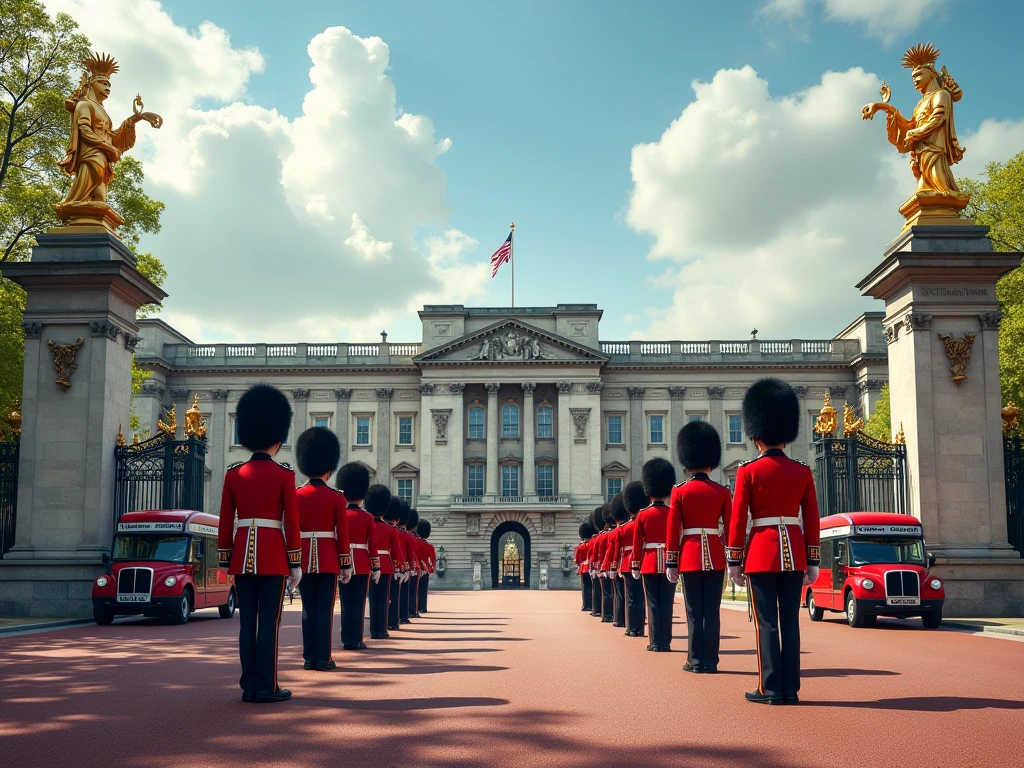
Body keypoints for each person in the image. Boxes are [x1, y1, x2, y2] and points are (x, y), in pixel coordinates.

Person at [726, 378, 820, 705]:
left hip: (762, 553)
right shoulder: (802, 471)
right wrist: (813, 560)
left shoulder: (748, 471)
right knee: (790, 623)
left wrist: (734, 559)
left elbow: (738, 519)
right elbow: (811, 518)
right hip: (794, 552)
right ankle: (791, 688)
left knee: (766, 623)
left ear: (755, 435)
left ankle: (769, 687)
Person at [217, 384, 301, 703]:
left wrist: (225, 561)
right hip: (273, 557)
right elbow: (291, 523)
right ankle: (268, 686)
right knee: (270, 623)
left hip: (241, 557)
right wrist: (295, 563)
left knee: (246, 623)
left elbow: (226, 522)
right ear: (277, 440)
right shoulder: (284, 476)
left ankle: (248, 686)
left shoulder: (233, 475)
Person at [667, 421, 731, 674]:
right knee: (712, 612)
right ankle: (711, 661)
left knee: (693, 612)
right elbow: (731, 527)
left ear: (688, 462)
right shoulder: (721, 491)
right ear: (710, 463)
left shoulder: (680, 492)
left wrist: (671, 561)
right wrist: (730, 550)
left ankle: (695, 660)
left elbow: (673, 530)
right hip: (715, 554)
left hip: (690, 556)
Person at [295, 427, 353, 671]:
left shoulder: (296, 495)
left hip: (303, 559)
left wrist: (293, 561)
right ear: (329, 469)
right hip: (329, 559)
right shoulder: (337, 497)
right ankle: (323, 658)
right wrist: (346, 564)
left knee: (308, 608)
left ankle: (309, 658)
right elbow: (343, 533)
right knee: (325, 611)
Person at [631, 458, 677, 652]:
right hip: (669, 559)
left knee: (654, 604)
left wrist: (635, 564)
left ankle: (656, 641)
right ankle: (666, 641)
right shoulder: (672, 512)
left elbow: (637, 543)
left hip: (649, 562)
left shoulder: (642, 515)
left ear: (647, 491)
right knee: (667, 603)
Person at [336, 462, 380, 651]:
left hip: (342, 561)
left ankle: (346, 638)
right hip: (361, 563)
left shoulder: (341, 515)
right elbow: (373, 545)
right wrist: (376, 567)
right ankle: (357, 639)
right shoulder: (368, 517)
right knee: (358, 604)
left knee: (345, 603)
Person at [365, 485, 395, 639]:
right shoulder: (390, 529)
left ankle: (372, 630)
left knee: (373, 598)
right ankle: (381, 629)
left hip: (368, 563)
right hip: (385, 565)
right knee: (383, 599)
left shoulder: (366, 524)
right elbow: (395, 552)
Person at [621, 481, 649, 638]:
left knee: (631, 597)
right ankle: (641, 627)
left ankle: (632, 628)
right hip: (646, 560)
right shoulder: (646, 519)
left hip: (628, 562)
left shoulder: (624, 528)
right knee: (641, 596)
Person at [603, 495, 628, 629]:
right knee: (634, 595)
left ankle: (619, 618)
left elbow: (611, 551)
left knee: (618, 594)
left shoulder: (612, 533)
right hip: (637, 564)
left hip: (620, 565)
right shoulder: (632, 525)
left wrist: (609, 566)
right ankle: (635, 624)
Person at [387, 499, 411, 631]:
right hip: (395, 566)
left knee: (381, 597)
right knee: (396, 595)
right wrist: (403, 568)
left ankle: (381, 624)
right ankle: (394, 621)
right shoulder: (404, 535)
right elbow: (402, 553)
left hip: (378, 564)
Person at [404, 509, 422, 620]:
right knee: (412, 591)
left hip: (399, 566)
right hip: (411, 566)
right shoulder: (412, 537)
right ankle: (412, 610)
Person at [588, 507, 605, 618]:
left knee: (600, 591)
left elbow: (592, 554)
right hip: (616, 564)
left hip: (601, 566)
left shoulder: (597, 538)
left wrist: (592, 566)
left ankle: (602, 611)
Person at [576, 522, 594, 613]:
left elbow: (578, 560)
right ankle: (593, 605)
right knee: (593, 588)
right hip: (592, 568)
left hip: (583, 569)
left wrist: (578, 569)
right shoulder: (593, 544)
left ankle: (586, 605)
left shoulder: (580, 546)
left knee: (585, 588)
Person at [416, 520, 434, 613]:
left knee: (415, 589)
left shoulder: (415, 542)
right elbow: (433, 559)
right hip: (425, 569)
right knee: (423, 589)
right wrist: (432, 568)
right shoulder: (429, 545)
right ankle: (423, 606)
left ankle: (415, 606)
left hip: (416, 568)